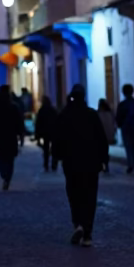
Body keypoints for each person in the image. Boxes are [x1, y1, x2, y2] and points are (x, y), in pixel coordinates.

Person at [53, 83, 110, 246]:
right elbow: (101, 139)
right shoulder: (91, 114)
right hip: (91, 164)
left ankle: (78, 223)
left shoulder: (64, 115)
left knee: (74, 194)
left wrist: (56, 158)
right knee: (90, 196)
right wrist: (104, 160)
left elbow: (57, 139)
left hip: (71, 163)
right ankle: (87, 232)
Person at [0, 85, 23, 189]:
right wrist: (21, 136)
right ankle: (7, 177)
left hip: (0, 137)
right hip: (11, 137)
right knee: (10, 159)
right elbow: (19, 123)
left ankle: (4, 175)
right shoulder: (14, 107)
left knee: (1, 157)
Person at [116, 83, 134, 173]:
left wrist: (119, 124)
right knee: (133, 144)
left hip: (126, 126)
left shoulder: (122, 104)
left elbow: (118, 116)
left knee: (128, 145)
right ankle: (132, 161)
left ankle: (130, 163)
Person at [34, 95, 57, 171]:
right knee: (54, 149)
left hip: (45, 132)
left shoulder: (42, 110)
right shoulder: (53, 110)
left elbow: (38, 123)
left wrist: (37, 135)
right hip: (53, 131)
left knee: (46, 149)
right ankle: (54, 164)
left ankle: (46, 164)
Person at [97, 98, 116, 170]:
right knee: (105, 150)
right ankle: (105, 165)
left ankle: (103, 165)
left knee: (101, 151)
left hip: (101, 135)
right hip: (108, 135)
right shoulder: (110, 113)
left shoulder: (98, 113)